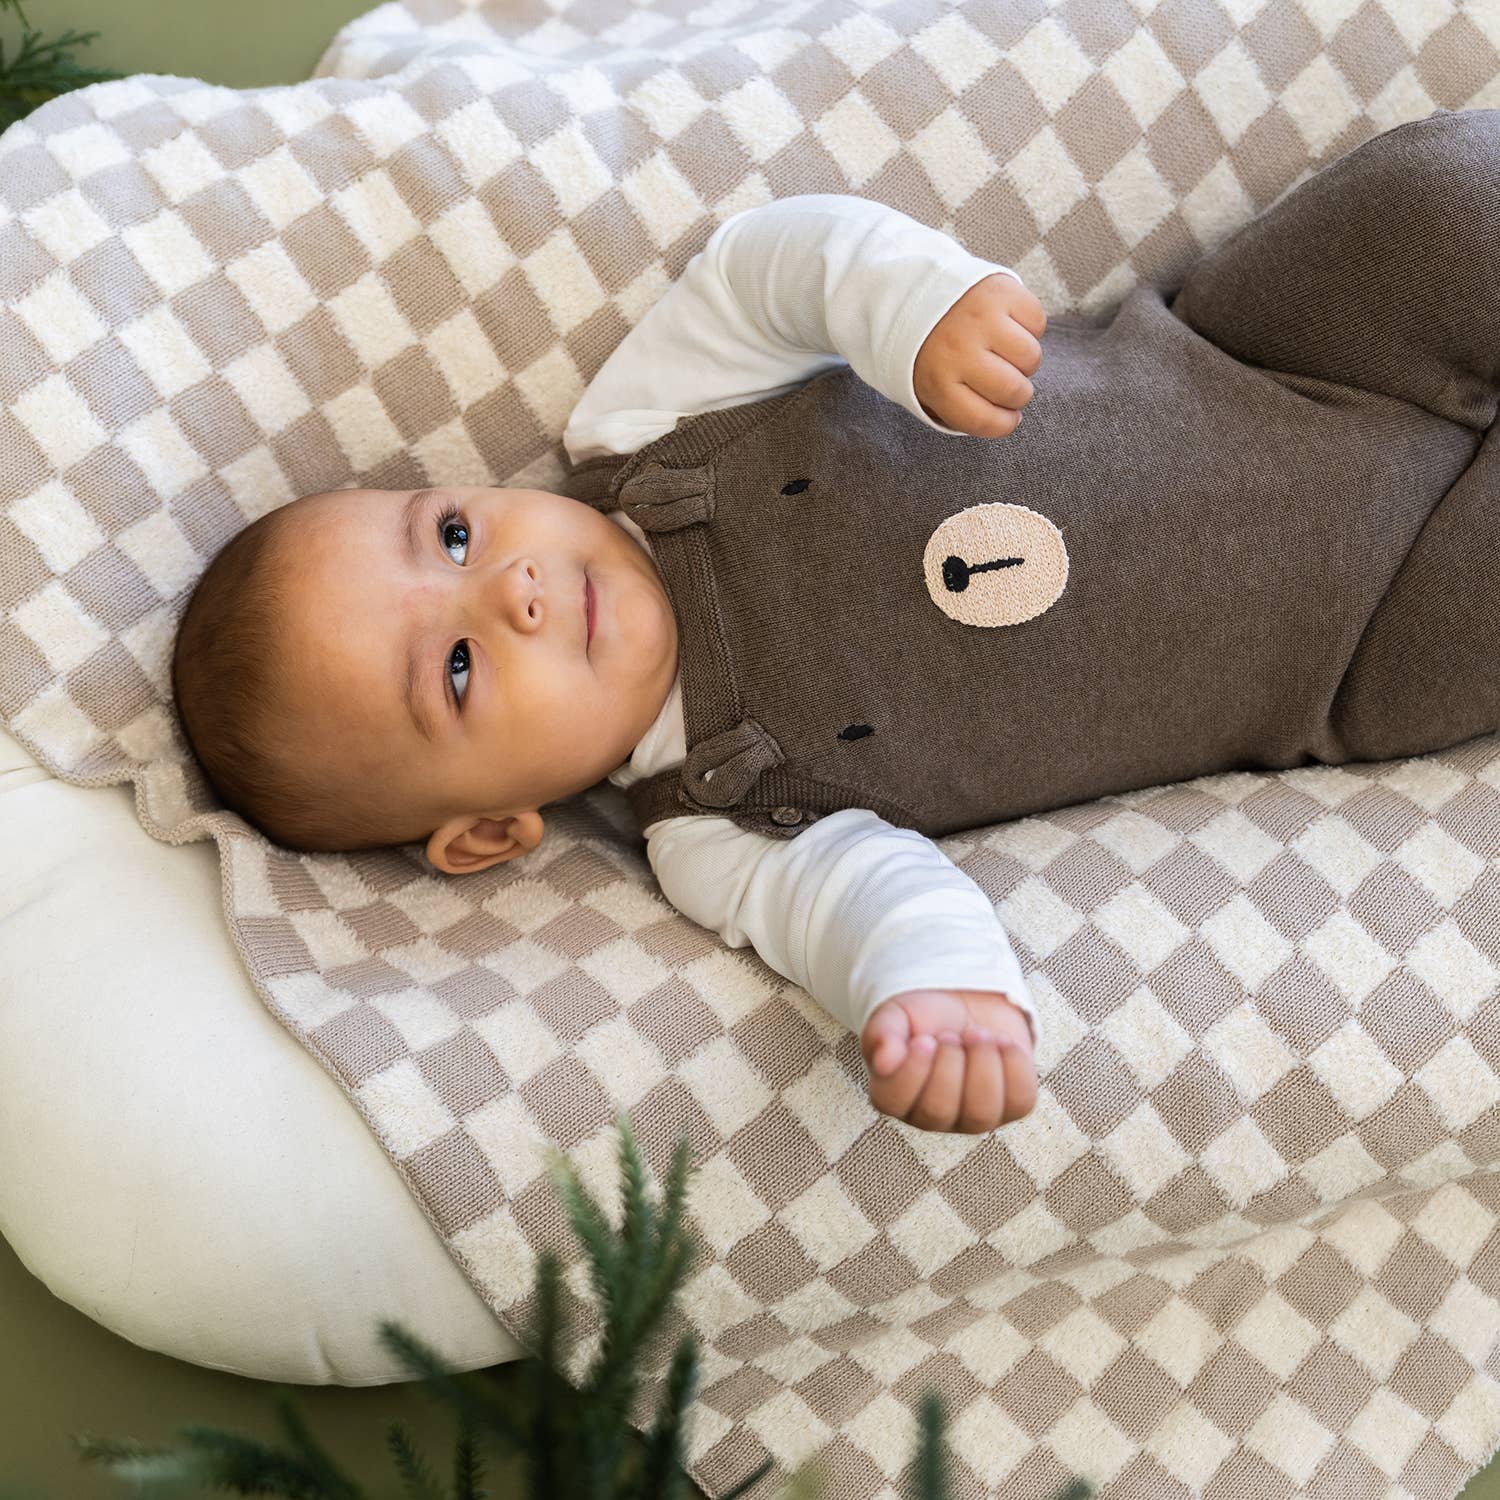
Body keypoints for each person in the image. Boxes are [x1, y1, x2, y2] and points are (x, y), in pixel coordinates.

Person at [172, 107, 1500, 1138]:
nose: (507, 590)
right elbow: (867, 897)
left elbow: (768, 267)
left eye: (452, 536)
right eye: (456, 668)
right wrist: (931, 991)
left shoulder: (648, 428)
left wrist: (910, 309)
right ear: (486, 833)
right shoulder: (719, 832)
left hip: (1251, 355)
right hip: (1362, 643)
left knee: (1442, 202)